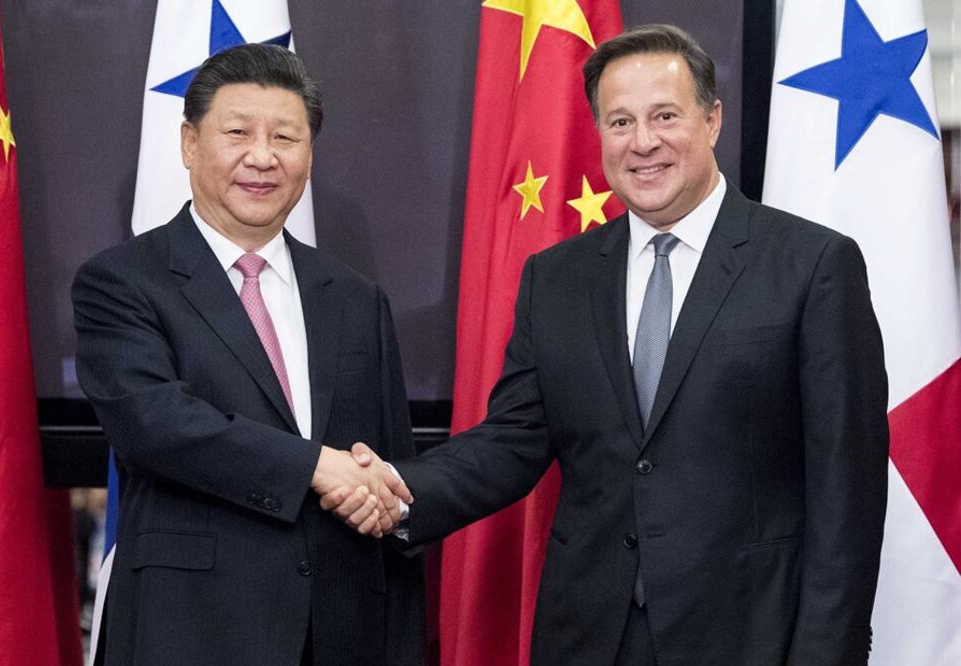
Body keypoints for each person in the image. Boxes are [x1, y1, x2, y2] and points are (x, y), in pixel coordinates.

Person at [324, 24, 889, 666]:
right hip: (589, 635)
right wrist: (395, 486)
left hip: (753, 636)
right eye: (619, 122)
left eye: (665, 116)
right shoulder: (557, 278)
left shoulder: (812, 265)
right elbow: (512, 441)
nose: (642, 142)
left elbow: (848, 490)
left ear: (712, 120)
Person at [73, 44, 425, 665]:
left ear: (309, 155)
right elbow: (156, 426)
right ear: (188, 143)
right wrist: (316, 465)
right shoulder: (122, 281)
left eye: (286, 137)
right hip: (191, 629)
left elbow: (388, 469)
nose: (262, 157)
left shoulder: (355, 297)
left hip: (345, 632)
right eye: (237, 132)